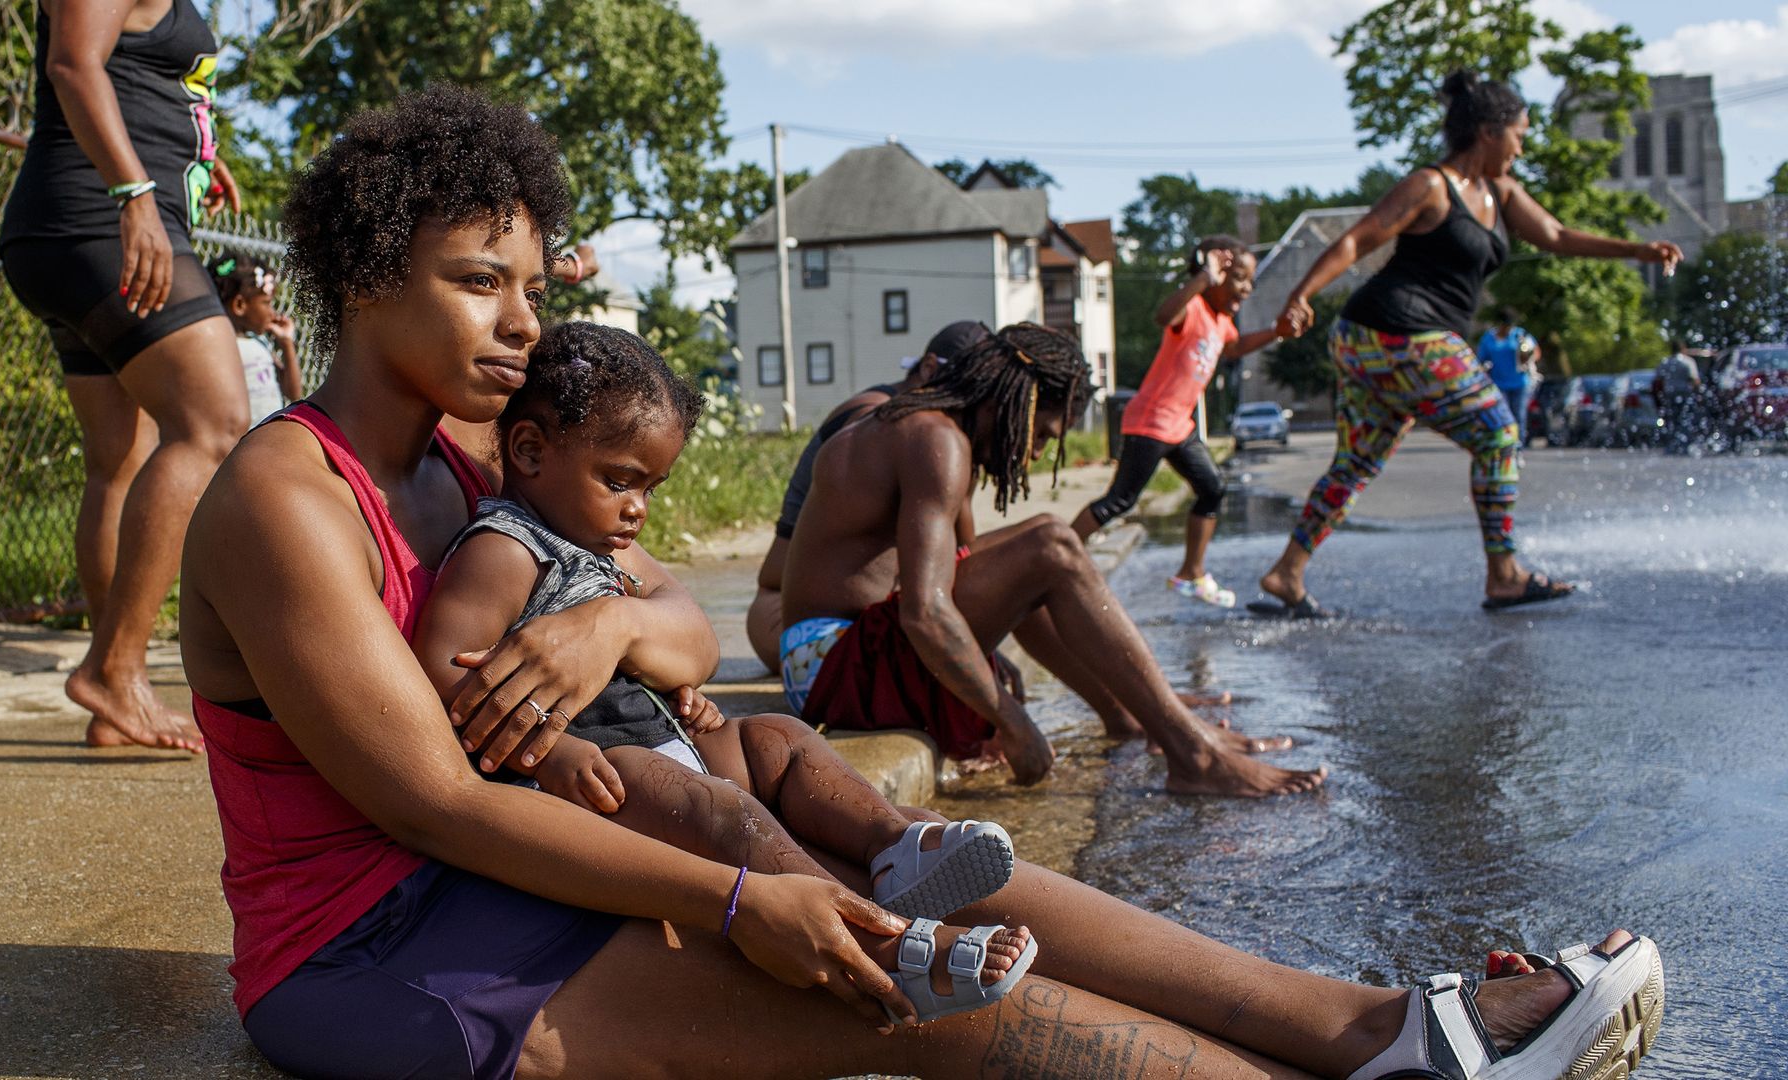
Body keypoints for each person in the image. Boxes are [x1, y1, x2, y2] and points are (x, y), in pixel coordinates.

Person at [180, 86, 1664, 1080]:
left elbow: (684, 623)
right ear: (369, 273)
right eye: (475, 281)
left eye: (529, 281)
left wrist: (620, 626)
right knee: (910, 986)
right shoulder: (282, 498)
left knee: (955, 890)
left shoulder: (461, 464)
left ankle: (1383, 1030)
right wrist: (742, 890)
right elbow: (430, 802)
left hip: (515, 866)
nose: (523, 321)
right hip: (381, 947)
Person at [411, 319, 1022, 934]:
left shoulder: (593, 542)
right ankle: (852, 917)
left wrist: (674, 699)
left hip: (667, 743)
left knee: (778, 740)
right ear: (530, 451)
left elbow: (660, 648)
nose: (637, 509)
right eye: (619, 481)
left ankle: (895, 845)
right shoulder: (505, 549)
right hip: (603, 772)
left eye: (651, 488)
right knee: (725, 811)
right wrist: (547, 752)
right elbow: (443, 668)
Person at [779, 321, 1318, 795]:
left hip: (828, 659)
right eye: (1042, 433)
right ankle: (1192, 753)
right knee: (1051, 546)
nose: (1035, 451)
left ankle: (1128, 716)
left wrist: (983, 655)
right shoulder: (934, 441)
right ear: (1014, 401)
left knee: (1035, 546)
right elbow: (926, 613)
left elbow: (964, 571)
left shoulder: (923, 427)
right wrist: (1013, 720)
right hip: (833, 666)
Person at [1256, 70, 1683, 616]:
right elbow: (1360, 238)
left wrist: (1638, 251)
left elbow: (1555, 236)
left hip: (1376, 342)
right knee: (1500, 435)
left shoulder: (1499, 192)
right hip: (1398, 331)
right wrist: (1300, 294)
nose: (1522, 147)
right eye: (1519, 135)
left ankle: (1286, 572)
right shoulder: (1430, 185)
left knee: (1356, 464)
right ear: (1488, 131)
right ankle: (1503, 574)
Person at [0, 0, 252, 751]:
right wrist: (135, 195)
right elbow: (73, 63)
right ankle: (117, 669)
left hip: (81, 225)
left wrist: (196, 151)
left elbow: (135, 74)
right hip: (99, 220)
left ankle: (112, 700)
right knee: (213, 424)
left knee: (121, 460)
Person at [745, 320, 989, 673]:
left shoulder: (946, 434)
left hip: (865, 615)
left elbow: (964, 554)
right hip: (780, 609)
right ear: (930, 368)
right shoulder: (872, 419)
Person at [1073, 236, 1277, 610]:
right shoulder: (1194, 309)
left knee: (1213, 487)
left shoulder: (1221, 321)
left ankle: (1191, 574)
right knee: (1120, 501)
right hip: (1150, 422)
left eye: (1250, 281)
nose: (1247, 288)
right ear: (1215, 275)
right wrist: (1202, 280)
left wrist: (1277, 332)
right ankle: (1060, 551)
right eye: (1240, 278)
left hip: (1179, 427)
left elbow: (1232, 348)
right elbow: (1163, 316)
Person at [207, 250, 302, 425]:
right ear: (240, 305)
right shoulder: (221, 347)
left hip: (267, 438)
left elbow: (293, 392)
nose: (272, 312)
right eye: (266, 303)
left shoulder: (260, 342)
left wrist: (286, 343)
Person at [1476, 307, 1539, 447]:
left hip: (1520, 383)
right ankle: (1505, 445)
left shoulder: (1520, 335)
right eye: (1505, 325)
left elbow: (1535, 352)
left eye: (1510, 325)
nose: (1508, 329)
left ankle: (1519, 447)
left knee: (1519, 416)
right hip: (1499, 384)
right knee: (1503, 417)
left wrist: (1527, 357)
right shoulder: (1488, 339)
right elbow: (1481, 360)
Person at [1653, 339, 1704, 452]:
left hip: (1669, 394)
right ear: (1683, 349)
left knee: (1671, 419)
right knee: (1685, 419)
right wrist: (1699, 394)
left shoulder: (1665, 362)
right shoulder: (1688, 362)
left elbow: (1657, 380)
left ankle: (1671, 445)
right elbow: (1696, 381)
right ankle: (1684, 445)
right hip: (1685, 394)